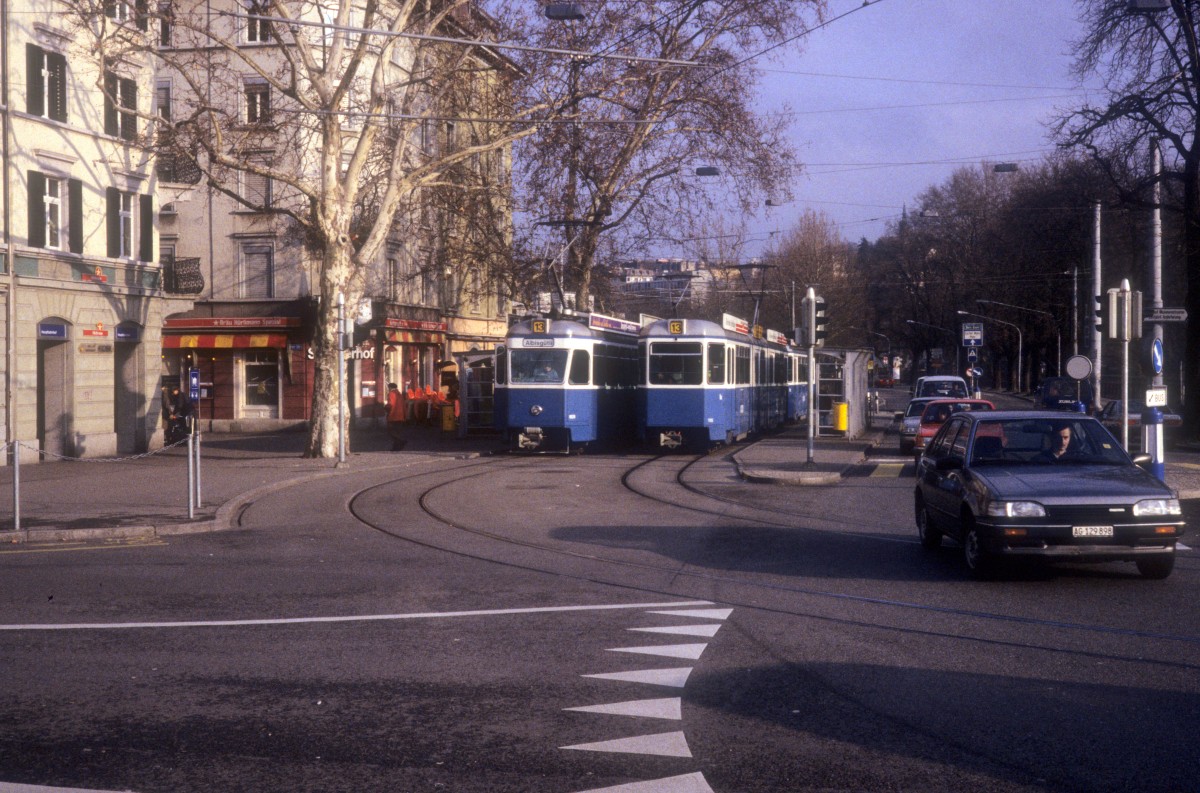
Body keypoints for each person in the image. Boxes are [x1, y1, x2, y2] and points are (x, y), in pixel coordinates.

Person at [386, 382, 408, 451]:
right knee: (397, 432)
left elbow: (390, 404)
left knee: (391, 431)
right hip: (400, 416)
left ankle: (401, 441)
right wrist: (405, 415)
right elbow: (404, 406)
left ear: (390, 388)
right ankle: (396, 448)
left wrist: (385, 407)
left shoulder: (391, 394)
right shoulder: (400, 394)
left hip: (393, 416)